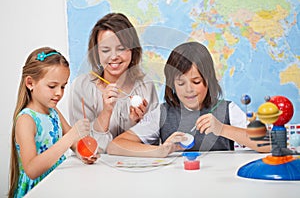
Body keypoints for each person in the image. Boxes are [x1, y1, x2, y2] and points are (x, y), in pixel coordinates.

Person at [107, 41, 271, 157]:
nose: (189, 89)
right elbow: (115, 146)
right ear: (172, 84)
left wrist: (222, 129)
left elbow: (269, 144)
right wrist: (161, 150)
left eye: (196, 81)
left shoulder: (228, 109)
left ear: (209, 81)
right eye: (180, 83)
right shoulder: (162, 113)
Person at [8, 47, 94, 198]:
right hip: (37, 190)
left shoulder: (53, 112)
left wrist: (84, 154)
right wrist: (72, 136)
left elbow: (73, 143)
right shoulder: (26, 120)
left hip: (56, 183)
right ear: (30, 83)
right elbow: (32, 170)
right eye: (52, 86)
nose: (59, 93)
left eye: (63, 86)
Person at [68, 13, 159, 152]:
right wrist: (106, 112)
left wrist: (135, 123)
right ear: (96, 53)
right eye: (105, 50)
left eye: (121, 49)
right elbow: (84, 147)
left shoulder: (145, 85)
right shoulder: (82, 87)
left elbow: (152, 144)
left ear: (133, 50)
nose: (114, 57)